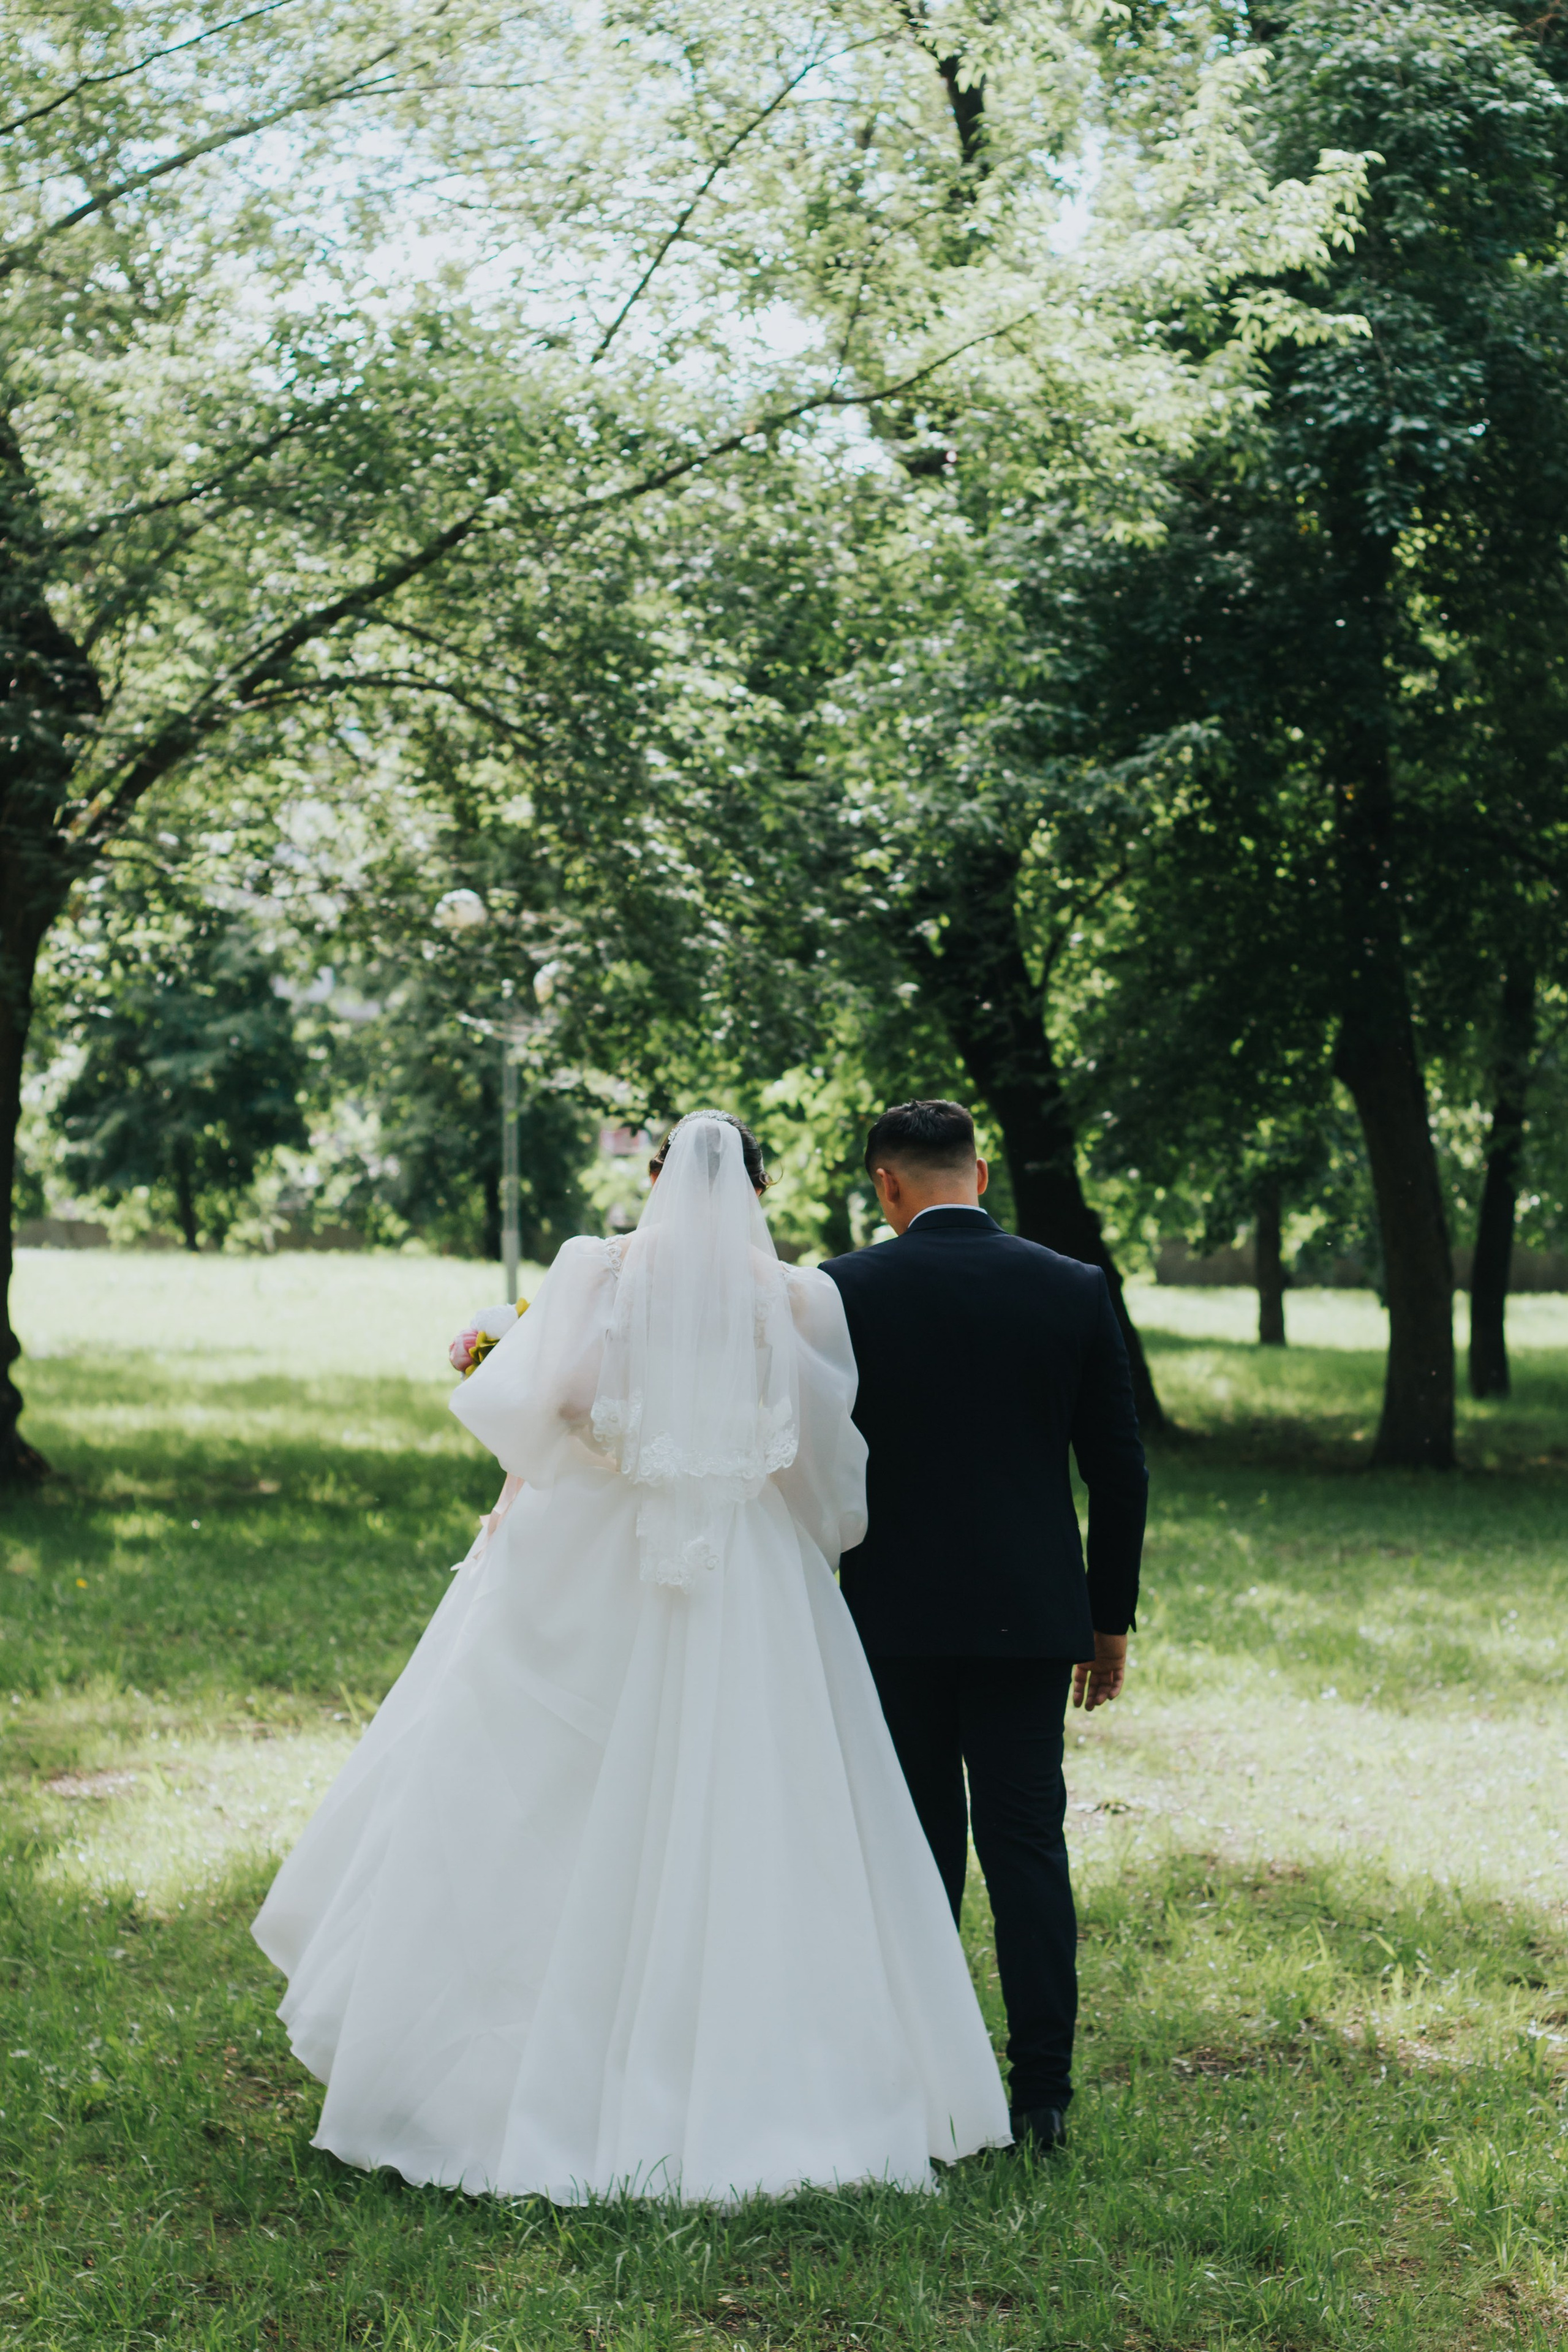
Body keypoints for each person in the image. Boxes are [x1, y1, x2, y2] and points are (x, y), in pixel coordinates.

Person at [252, 1111, 1009, 2204]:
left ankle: (492, 2067)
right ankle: (770, 2073)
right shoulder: (799, 1294)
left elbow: (552, 1402)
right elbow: (820, 1454)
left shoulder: (593, 1267)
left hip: (600, 1539)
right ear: (756, 1188)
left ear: (656, 1179)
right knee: (755, 1793)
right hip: (745, 1554)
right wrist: (793, 1519)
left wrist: (622, 1449)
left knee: (541, 1780)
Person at [823, 1099, 1148, 2156]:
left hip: (889, 1617)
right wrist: (1109, 1626)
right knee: (1026, 1847)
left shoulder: (843, 1290)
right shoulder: (1073, 1287)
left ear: (887, 1185)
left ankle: (925, 2084)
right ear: (983, 1170)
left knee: (918, 1852)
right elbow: (1120, 1469)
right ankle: (1042, 2095)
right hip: (1028, 1618)